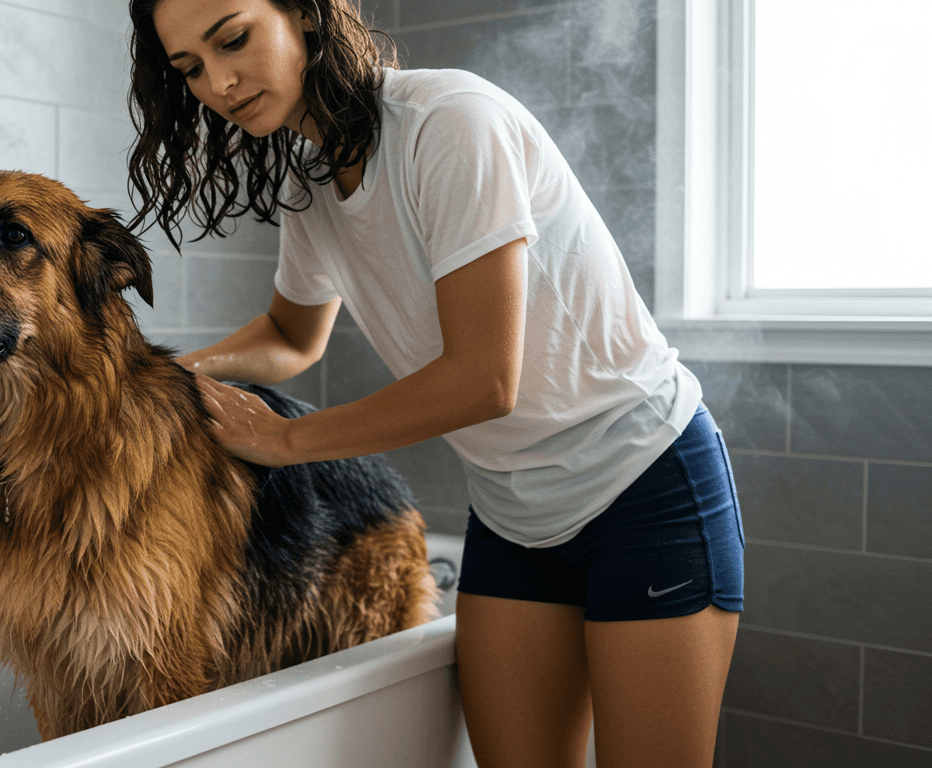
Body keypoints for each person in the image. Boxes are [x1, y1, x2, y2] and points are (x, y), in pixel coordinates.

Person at [125, 1, 745, 766]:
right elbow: (291, 337)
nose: (218, 82)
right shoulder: (308, 185)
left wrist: (286, 440)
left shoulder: (451, 122)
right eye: (189, 69)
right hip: (514, 513)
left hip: (647, 490)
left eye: (234, 39)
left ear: (307, 16)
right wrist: (152, 379)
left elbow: (485, 381)